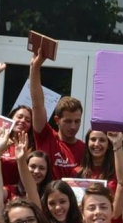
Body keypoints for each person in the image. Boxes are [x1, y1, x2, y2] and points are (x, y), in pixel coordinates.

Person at [29, 50, 84, 179]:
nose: (73, 126)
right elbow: (37, 104)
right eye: (68, 121)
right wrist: (35, 68)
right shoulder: (46, 136)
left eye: (77, 121)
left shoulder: (85, 149)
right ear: (57, 120)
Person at [0, 62, 35, 186]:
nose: (23, 121)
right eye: (19, 117)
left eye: (28, 120)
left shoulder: (32, 146)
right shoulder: (0, 139)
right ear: (11, 118)